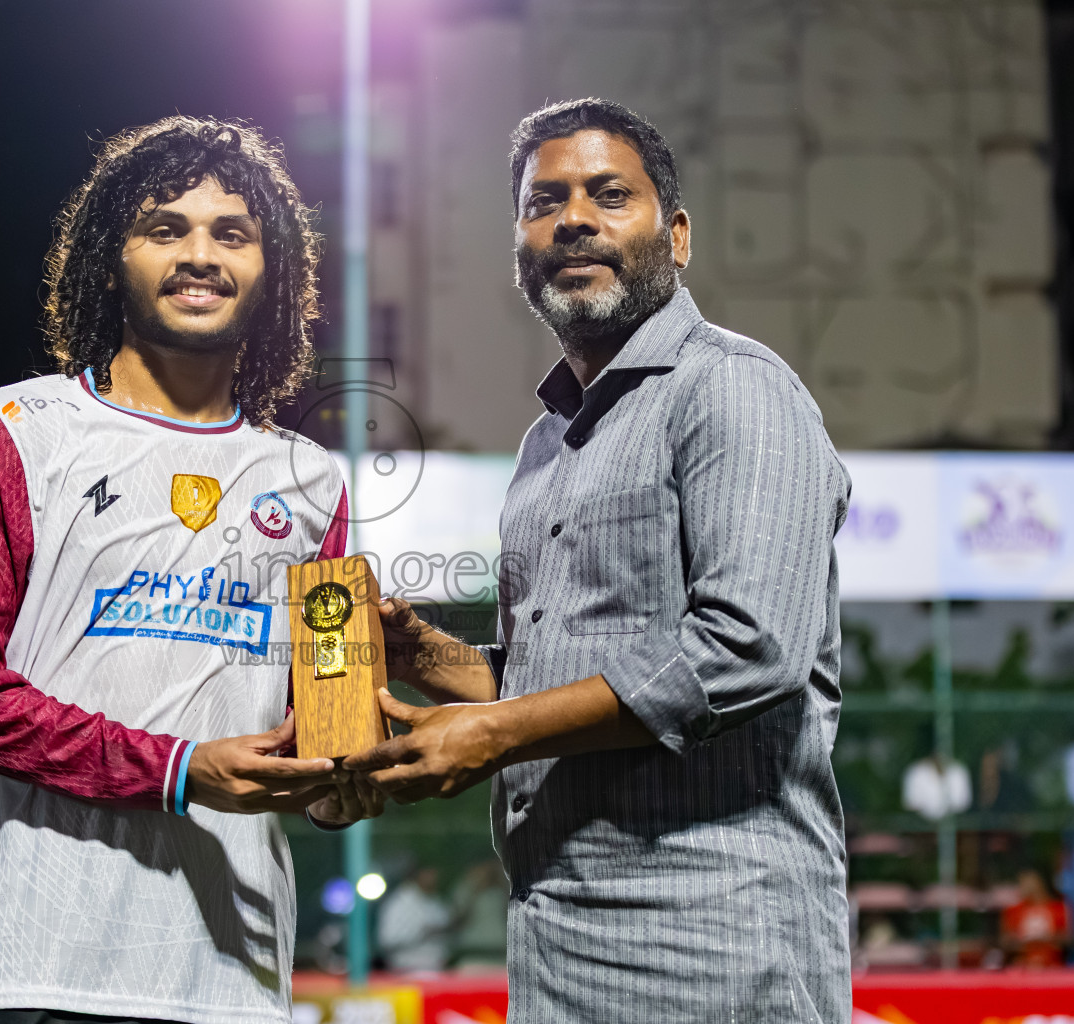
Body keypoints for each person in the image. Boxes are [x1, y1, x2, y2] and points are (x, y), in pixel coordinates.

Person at [345, 98, 852, 1020]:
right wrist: (421, 652)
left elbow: (750, 648)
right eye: (545, 202)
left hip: (713, 945)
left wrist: (492, 736)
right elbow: (545, 683)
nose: (572, 217)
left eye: (609, 194)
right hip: (555, 943)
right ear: (521, 248)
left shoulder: (734, 387)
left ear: (679, 236)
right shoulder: (547, 445)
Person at [0, 116, 379, 1024]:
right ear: (110, 258)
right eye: (166, 228)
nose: (200, 255)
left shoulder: (313, 482)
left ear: (272, 270)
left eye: (231, 234)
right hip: (34, 968)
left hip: (234, 984)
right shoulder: (13, 430)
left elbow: (328, 731)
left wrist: (345, 778)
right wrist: (177, 769)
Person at [377, 866, 452, 972]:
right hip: (405, 971)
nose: (433, 878)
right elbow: (387, 940)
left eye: (435, 874)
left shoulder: (437, 902)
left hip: (436, 969)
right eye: (429, 873)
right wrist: (422, 932)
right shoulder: (399, 902)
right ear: (418, 875)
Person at [1000, 868, 1070, 968]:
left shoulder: (1057, 908)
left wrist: (1045, 939)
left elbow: (1067, 938)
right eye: (1022, 883)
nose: (1025, 887)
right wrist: (1023, 941)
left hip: (1051, 964)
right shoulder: (1013, 910)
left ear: (1039, 884)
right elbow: (1006, 940)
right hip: (1023, 963)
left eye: (1029, 883)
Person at [901, 752, 972, 820]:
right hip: (922, 823)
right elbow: (913, 805)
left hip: (955, 820)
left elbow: (961, 804)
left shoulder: (958, 771)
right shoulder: (916, 772)